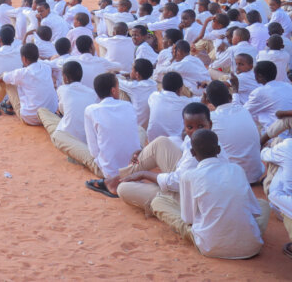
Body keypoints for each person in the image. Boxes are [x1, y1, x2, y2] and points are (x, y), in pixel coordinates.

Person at [165, 129, 267, 259]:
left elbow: (188, 219)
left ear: (192, 152)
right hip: (251, 249)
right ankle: (245, 235)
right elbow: (255, 211)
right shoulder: (236, 170)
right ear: (219, 150)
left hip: (210, 247)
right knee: (263, 204)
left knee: (160, 201)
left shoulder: (189, 176)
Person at [83, 73, 143, 196]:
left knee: (67, 141)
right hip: (134, 168)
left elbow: (94, 151)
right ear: (114, 90)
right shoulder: (128, 106)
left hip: (109, 171)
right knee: (140, 130)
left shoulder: (91, 110)